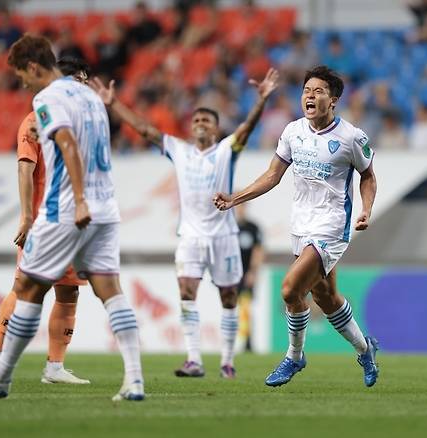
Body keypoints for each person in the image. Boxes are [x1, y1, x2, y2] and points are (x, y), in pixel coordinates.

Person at [0, 35, 144, 401]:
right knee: (111, 290)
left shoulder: (47, 98)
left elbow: (67, 143)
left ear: (33, 67)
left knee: (27, 287)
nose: (22, 84)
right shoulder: (91, 96)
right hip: (106, 208)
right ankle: (134, 380)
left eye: (21, 76)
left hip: (65, 209)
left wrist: (77, 199)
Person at [90, 68, 279, 379]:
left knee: (229, 297)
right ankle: (194, 360)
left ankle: (227, 361)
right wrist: (113, 104)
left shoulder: (226, 150)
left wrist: (260, 101)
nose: (200, 124)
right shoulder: (179, 151)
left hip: (223, 235)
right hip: (191, 235)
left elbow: (247, 128)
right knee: (186, 290)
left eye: (207, 121)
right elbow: (144, 128)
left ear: (217, 129)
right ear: (191, 128)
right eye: (196, 121)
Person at [213, 65, 380, 388]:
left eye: (318, 91)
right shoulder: (292, 132)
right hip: (300, 225)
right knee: (327, 298)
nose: (310, 96)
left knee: (290, 289)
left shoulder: (352, 137)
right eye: (306, 90)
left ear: (333, 100)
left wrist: (367, 209)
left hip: (332, 225)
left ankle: (294, 355)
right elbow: (273, 175)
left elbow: (368, 176)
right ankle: (365, 349)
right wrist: (236, 198)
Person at [0, 58, 93, 386]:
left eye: (85, 80)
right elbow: (24, 168)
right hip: (45, 222)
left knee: (69, 292)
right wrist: (27, 216)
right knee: (25, 287)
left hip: (74, 223)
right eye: (77, 80)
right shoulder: (36, 120)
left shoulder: (83, 124)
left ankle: (55, 367)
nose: (82, 86)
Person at [235, 203, 264, 351]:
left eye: (242, 206)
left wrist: (253, 272)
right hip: (232, 274)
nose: (240, 209)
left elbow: (258, 251)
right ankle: (231, 341)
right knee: (231, 306)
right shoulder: (228, 227)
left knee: (246, 307)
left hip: (246, 274)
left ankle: (247, 341)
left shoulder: (253, 228)